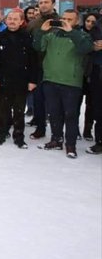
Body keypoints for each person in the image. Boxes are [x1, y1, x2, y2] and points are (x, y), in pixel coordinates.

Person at [34, 9, 93, 158]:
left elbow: (85, 48)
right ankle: (56, 140)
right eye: (64, 18)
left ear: (77, 21)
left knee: (71, 115)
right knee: (54, 114)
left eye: (70, 19)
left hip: (71, 82)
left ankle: (70, 145)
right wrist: (41, 31)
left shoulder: (83, 35)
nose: (65, 21)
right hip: (50, 80)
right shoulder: (51, 35)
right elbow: (37, 46)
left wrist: (71, 32)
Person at [0, 9, 37, 148]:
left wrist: (33, 80)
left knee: (19, 112)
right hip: (3, 80)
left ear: (21, 21)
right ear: (5, 20)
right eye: (10, 18)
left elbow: (33, 61)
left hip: (21, 81)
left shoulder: (27, 37)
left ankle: (19, 137)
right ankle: (1, 134)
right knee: (2, 111)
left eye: (15, 19)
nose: (12, 21)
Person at [26, 0, 58, 139]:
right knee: (38, 100)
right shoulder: (33, 24)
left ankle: (58, 133)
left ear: (53, 4)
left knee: (56, 102)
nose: (43, 5)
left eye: (46, 2)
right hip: (38, 67)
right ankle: (40, 128)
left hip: (57, 67)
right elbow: (27, 46)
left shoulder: (62, 22)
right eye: (41, 2)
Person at [81, 13, 99, 141]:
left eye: (93, 22)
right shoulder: (78, 33)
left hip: (93, 74)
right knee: (75, 104)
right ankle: (75, 130)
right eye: (88, 21)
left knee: (91, 104)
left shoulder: (98, 36)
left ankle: (88, 129)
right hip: (79, 73)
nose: (90, 24)